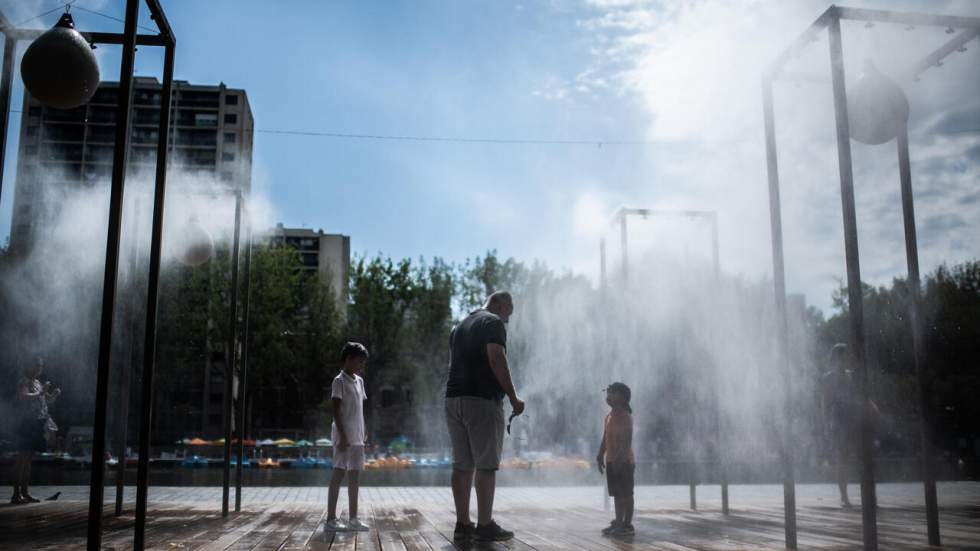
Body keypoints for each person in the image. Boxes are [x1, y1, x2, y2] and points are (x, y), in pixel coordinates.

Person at [445, 291, 525, 543]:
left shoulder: (459, 326)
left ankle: (462, 524)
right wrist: (513, 397)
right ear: (500, 303)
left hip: (453, 399)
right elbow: (496, 358)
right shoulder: (492, 322)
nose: (509, 318)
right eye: (509, 311)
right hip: (481, 401)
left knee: (462, 465)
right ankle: (485, 524)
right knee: (486, 465)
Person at [822, 343, 879, 509]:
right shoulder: (828, 378)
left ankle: (869, 495)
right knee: (842, 460)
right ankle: (844, 496)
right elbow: (825, 403)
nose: (843, 360)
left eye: (845, 356)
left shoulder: (852, 376)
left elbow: (861, 395)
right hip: (839, 420)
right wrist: (826, 425)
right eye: (840, 356)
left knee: (863, 458)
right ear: (834, 359)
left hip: (854, 419)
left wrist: (871, 405)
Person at [325, 342, 370, 531]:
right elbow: (335, 409)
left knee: (354, 476)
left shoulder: (359, 381)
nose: (361, 365)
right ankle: (330, 520)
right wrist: (342, 436)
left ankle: (353, 518)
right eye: (359, 361)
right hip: (343, 435)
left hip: (357, 434)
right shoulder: (339, 381)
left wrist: (365, 429)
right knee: (338, 473)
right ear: (348, 359)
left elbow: (360, 408)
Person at [11, 359, 60, 505]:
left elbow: (46, 400)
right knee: (22, 459)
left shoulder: (38, 382)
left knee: (28, 460)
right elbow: (23, 397)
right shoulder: (24, 381)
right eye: (37, 365)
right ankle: (15, 495)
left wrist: (54, 395)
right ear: (30, 366)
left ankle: (25, 493)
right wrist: (41, 392)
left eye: (41, 366)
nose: (40, 368)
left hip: (38, 424)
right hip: (27, 423)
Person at [597, 382, 635, 536]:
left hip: (625, 462)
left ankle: (627, 524)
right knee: (617, 494)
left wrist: (620, 460)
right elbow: (605, 438)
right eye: (608, 393)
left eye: (612, 393)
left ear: (622, 398)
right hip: (612, 461)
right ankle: (618, 522)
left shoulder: (626, 417)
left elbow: (627, 442)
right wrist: (600, 455)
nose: (608, 396)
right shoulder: (609, 416)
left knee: (626, 493)